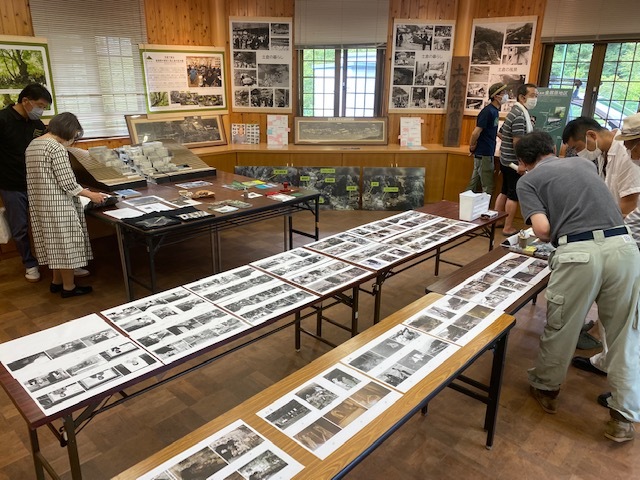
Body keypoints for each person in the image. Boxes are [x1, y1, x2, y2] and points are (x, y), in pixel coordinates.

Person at [515, 130, 640, 443]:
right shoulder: (583, 165)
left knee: (562, 325)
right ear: (553, 149)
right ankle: (624, 417)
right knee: (625, 334)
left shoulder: (527, 180)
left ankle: (546, 388)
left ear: (523, 162)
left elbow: (543, 229)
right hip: (624, 248)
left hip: (579, 254)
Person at [562, 116, 640, 377]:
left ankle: (621, 383)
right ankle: (607, 360)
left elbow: (629, 204)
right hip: (619, 234)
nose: (578, 153)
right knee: (616, 303)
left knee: (625, 311)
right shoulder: (609, 154)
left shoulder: (629, 156)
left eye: (578, 146)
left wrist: (601, 228)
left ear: (592, 136)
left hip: (629, 237)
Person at [25, 112, 108, 298]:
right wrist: (92, 195)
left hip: (40, 203)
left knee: (54, 246)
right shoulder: (56, 148)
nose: (74, 139)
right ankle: (69, 288)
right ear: (69, 130)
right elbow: (68, 183)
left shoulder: (33, 144)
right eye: (75, 134)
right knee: (66, 245)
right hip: (58, 205)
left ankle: (56, 282)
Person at [0, 84, 51, 282]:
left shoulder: (36, 125)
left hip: (37, 183)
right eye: (39, 105)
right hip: (11, 185)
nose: (41, 110)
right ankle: (30, 263)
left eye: (44, 107)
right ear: (25, 101)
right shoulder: (2, 119)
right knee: (20, 228)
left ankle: (57, 261)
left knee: (47, 223)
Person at [495, 83, 538, 235]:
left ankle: (498, 220)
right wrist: (522, 163)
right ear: (522, 97)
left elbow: (501, 133)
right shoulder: (520, 116)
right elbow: (517, 142)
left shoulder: (514, 112)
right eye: (533, 95)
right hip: (513, 163)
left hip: (505, 159)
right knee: (513, 195)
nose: (535, 99)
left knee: (504, 192)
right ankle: (507, 227)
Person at [466, 82, 508, 195]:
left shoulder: (494, 111)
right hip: (484, 153)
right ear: (495, 96)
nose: (506, 96)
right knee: (487, 186)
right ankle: (484, 211)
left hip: (486, 151)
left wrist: (506, 139)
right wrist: (472, 146)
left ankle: (464, 205)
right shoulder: (488, 111)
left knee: (474, 184)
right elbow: (476, 133)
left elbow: (491, 130)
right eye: (503, 93)